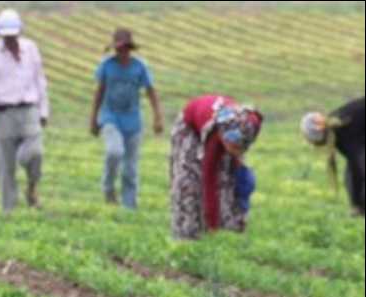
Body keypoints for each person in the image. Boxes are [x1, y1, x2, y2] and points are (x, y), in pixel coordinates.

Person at [0, 8, 50, 212]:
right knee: (4, 167)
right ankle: (9, 211)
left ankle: (32, 187)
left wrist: (44, 111)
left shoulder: (31, 49)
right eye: (6, 35)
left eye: (13, 34)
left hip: (28, 110)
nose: (10, 38)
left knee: (34, 154)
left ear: (19, 32)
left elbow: (40, 80)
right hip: (2, 114)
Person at [170, 95, 263, 240]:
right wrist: (212, 225)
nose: (237, 152)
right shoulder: (214, 140)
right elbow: (209, 181)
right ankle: (188, 235)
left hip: (225, 125)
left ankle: (231, 228)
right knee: (189, 184)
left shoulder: (249, 124)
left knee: (232, 180)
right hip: (189, 128)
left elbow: (240, 177)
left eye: (241, 148)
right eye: (233, 146)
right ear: (223, 136)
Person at [89, 28, 164, 209]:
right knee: (114, 152)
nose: (121, 52)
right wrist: (93, 118)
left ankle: (129, 206)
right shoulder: (106, 66)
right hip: (110, 117)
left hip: (132, 121)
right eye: (118, 49)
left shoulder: (140, 67)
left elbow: (151, 92)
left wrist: (157, 117)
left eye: (125, 48)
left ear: (130, 48)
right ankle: (108, 189)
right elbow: (99, 92)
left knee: (130, 167)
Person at [301, 97, 365, 216]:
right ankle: (358, 207)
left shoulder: (343, 134)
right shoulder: (336, 123)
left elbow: (358, 167)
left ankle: (358, 207)